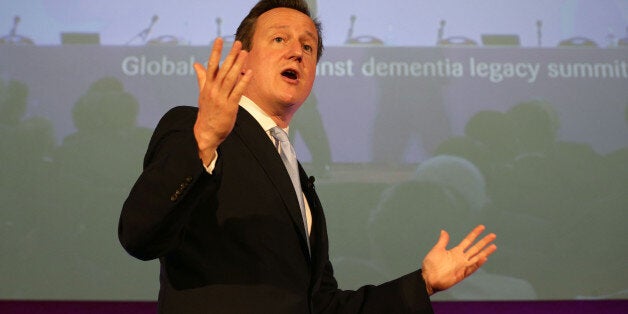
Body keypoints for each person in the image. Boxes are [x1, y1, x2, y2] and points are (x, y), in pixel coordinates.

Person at [118, 0, 497, 313]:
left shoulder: (293, 172)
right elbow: (140, 236)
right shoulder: (194, 128)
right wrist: (204, 140)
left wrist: (423, 283)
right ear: (243, 59)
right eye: (279, 39)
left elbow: (322, 306)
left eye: (308, 46)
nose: (296, 52)